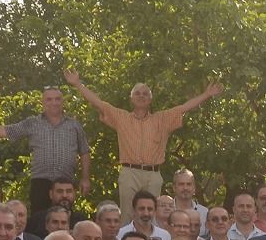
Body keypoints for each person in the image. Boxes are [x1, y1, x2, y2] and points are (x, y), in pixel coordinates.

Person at [64, 69, 220, 209]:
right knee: (127, 216)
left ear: (150, 100)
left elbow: (185, 107)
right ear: (131, 99)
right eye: (137, 93)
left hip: (153, 174)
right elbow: (97, 102)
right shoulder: (121, 117)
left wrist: (206, 94)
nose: (141, 96)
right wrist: (77, 84)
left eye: (145, 93)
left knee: (151, 216)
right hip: (129, 172)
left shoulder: (162, 119)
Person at [0, 84, 92, 230]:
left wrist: (85, 178)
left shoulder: (74, 125)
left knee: (64, 220)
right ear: (43, 103)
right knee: (38, 223)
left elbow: (85, 151)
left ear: (62, 101)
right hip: (41, 181)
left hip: (65, 183)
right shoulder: (33, 123)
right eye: (49, 99)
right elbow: (5, 131)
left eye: (57, 99)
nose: (54, 102)